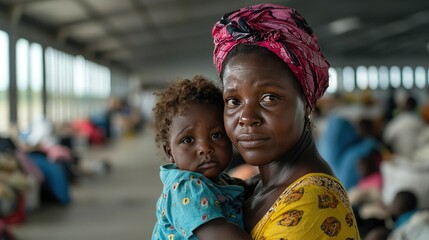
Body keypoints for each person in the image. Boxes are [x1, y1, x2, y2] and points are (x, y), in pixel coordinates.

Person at [212, 3, 360, 239]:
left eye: (269, 98)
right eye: (233, 101)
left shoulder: (312, 206)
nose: (247, 118)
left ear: (308, 102)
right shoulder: (258, 186)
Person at [151, 75, 252, 239]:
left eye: (216, 135)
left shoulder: (223, 181)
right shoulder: (185, 187)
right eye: (188, 140)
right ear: (170, 152)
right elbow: (219, 235)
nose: (205, 149)